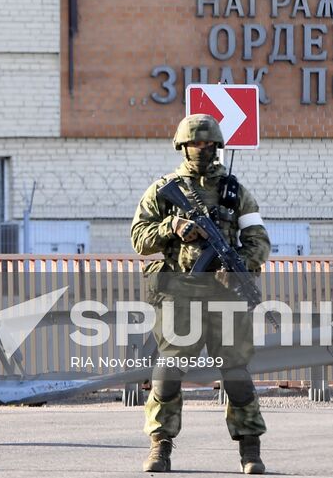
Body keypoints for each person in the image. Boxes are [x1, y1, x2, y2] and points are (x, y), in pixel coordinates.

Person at [130, 113, 271, 474]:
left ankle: (250, 450)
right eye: (196, 143)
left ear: (218, 146)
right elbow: (139, 239)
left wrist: (236, 265)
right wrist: (172, 226)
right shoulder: (165, 188)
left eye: (208, 144)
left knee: (236, 372)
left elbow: (259, 241)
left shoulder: (235, 192)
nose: (202, 150)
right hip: (179, 293)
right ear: (183, 145)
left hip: (225, 296)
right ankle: (160, 446)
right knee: (169, 370)